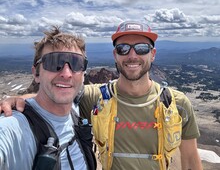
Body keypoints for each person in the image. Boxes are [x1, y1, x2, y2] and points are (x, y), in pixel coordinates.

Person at [0, 21, 203, 170]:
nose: (132, 55)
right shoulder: (95, 97)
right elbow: (55, 96)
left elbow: (191, 161)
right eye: (123, 49)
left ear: (153, 54)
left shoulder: (177, 104)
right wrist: (18, 101)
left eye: (141, 48)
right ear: (115, 55)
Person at [0, 26, 96, 169]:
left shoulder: (75, 108)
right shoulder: (12, 128)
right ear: (36, 74)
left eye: (76, 63)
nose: (67, 73)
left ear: (83, 74)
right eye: (54, 62)